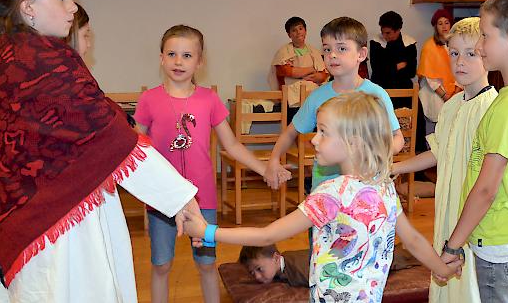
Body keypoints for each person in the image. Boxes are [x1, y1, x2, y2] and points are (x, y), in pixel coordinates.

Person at [0, 0, 202, 303]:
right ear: (28, 7)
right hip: (60, 226)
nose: (73, 7)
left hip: (36, 214)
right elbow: (112, 139)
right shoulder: (44, 64)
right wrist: (180, 198)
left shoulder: (10, 55)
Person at [183, 92, 462, 302]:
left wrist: (208, 231)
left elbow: (267, 236)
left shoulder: (330, 195)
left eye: (323, 133)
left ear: (352, 142)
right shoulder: (384, 186)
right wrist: (442, 269)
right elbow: (412, 240)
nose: (314, 139)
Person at [134, 24, 288, 303]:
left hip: (202, 197)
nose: (178, 61)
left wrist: (264, 168)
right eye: (172, 54)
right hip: (161, 199)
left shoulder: (209, 99)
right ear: (161, 58)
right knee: (161, 265)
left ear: (200, 61)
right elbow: (136, 148)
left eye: (187, 55)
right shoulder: (149, 99)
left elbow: (232, 145)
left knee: (206, 265)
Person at [441, 0, 508, 303]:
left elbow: (486, 188)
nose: (478, 46)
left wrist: (453, 245)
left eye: (485, 37)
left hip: (498, 235)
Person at [392, 17, 497, 303]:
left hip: (475, 218)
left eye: (470, 53)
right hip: (447, 210)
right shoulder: (450, 106)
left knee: (471, 283)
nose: (460, 61)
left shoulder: (492, 109)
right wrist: (394, 167)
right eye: (454, 53)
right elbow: (438, 152)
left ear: (487, 55)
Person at [263, 17, 405, 192]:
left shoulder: (376, 94)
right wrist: (274, 159)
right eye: (327, 49)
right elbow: (290, 132)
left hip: (367, 188)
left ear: (361, 54)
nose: (332, 55)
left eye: (342, 48)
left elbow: (397, 137)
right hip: (326, 190)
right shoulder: (317, 96)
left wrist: (375, 154)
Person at [268, 16, 329, 122]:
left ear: (305, 31)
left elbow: (322, 76)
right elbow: (286, 71)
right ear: (289, 34)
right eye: (294, 30)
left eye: (300, 29)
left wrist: (300, 73)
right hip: (291, 99)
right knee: (294, 127)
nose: (298, 32)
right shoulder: (283, 52)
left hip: (312, 96)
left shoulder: (314, 52)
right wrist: (311, 70)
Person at [418, 9, 459, 135]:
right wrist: (446, 96)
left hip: (457, 93)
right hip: (435, 94)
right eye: (440, 23)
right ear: (435, 27)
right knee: (435, 132)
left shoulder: (457, 44)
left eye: (446, 23)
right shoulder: (429, 46)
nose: (444, 26)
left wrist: (455, 93)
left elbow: (462, 69)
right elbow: (430, 78)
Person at [368, 11, 418, 108]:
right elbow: (377, 71)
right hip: (380, 88)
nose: (384, 36)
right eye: (382, 32)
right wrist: (398, 66)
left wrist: (388, 68)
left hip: (403, 90)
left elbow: (411, 72)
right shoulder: (376, 43)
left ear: (398, 30)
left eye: (388, 33)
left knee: (414, 119)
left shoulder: (409, 44)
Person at [239, 245, 310, 287]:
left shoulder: (301, 270)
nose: (257, 277)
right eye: (251, 272)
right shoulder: (276, 267)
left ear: (276, 258)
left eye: (259, 269)